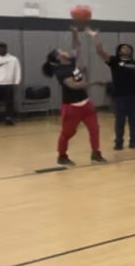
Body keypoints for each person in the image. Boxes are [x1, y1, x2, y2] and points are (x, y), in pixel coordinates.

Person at [42, 28, 107, 166]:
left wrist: (75, 34)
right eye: (60, 51)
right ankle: (62, 156)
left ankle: (96, 154)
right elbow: (73, 85)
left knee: (95, 129)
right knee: (67, 133)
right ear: (58, 57)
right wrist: (92, 82)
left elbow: (76, 47)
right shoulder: (61, 71)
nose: (64, 51)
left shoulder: (71, 62)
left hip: (86, 104)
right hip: (71, 107)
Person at [92, 32, 135, 150]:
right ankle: (119, 142)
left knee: (134, 121)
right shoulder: (114, 61)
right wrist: (96, 38)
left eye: (128, 48)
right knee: (120, 120)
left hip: (134, 96)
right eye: (123, 48)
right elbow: (100, 52)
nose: (126, 49)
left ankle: (134, 141)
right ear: (119, 51)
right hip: (119, 96)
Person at [0, 41, 21, 125]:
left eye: (3, 48)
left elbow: (17, 70)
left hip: (8, 83)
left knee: (9, 102)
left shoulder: (13, 59)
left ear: (6, 48)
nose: (1, 49)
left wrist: (16, 81)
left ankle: (9, 118)